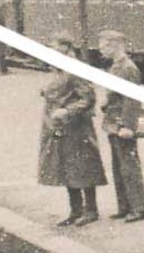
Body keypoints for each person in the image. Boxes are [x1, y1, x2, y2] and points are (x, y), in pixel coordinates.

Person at [37, 35, 108, 227]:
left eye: (54, 48)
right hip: (59, 127)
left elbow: (88, 99)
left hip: (76, 127)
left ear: (66, 49)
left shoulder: (75, 69)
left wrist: (66, 111)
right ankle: (76, 210)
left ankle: (91, 210)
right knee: (66, 167)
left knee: (82, 166)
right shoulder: (60, 69)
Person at [98, 29, 144, 223]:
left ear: (115, 45)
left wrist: (128, 126)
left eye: (104, 46)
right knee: (119, 166)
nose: (101, 50)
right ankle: (125, 206)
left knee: (129, 166)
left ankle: (139, 207)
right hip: (113, 121)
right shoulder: (117, 66)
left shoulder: (127, 68)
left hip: (122, 124)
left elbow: (132, 99)